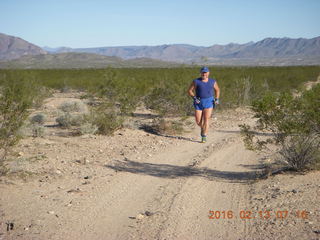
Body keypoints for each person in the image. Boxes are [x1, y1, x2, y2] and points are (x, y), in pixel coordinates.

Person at [187, 67, 220, 143]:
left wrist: (217, 98)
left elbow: (217, 90)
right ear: (200, 73)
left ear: (208, 73)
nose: (204, 74)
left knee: (206, 119)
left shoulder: (212, 81)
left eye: (205, 72)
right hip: (198, 102)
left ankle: (204, 136)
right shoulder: (196, 81)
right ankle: (203, 128)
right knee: (198, 121)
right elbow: (189, 91)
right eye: (203, 72)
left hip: (209, 102)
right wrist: (194, 98)